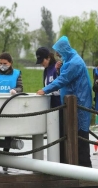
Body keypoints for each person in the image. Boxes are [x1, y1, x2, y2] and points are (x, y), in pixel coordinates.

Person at [36, 35, 92, 167]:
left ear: (64, 50)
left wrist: (46, 89)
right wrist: (58, 69)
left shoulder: (74, 63)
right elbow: (65, 76)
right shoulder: (70, 59)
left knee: (81, 134)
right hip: (72, 103)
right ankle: (73, 163)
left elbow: (63, 80)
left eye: (59, 53)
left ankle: (85, 166)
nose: (58, 55)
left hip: (79, 103)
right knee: (72, 133)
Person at [35, 47, 64, 163]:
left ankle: (62, 159)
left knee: (61, 132)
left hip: (60, 104)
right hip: (51, 106)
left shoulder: (57, 67)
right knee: (54, 133)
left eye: (43, 61)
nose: (42, 64)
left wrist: (46, 90)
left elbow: (60, 85)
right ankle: (55, 159)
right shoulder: (46, 70)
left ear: (48, 57)